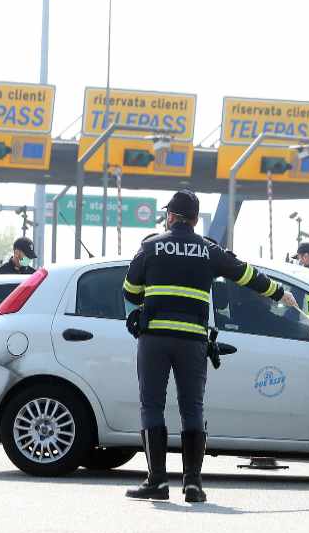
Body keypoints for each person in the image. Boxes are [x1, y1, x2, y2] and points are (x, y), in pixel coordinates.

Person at [123, 189, 290, 503]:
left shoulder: (151, 247)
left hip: (155, 339)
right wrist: (278, 293)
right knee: (192, 408)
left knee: (152, 407)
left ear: (170, 216)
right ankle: (193, 485)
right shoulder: (210, 251)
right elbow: (246, 275)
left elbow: (131, 291)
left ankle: (157, 482)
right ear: (196, 220)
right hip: (193, 342)